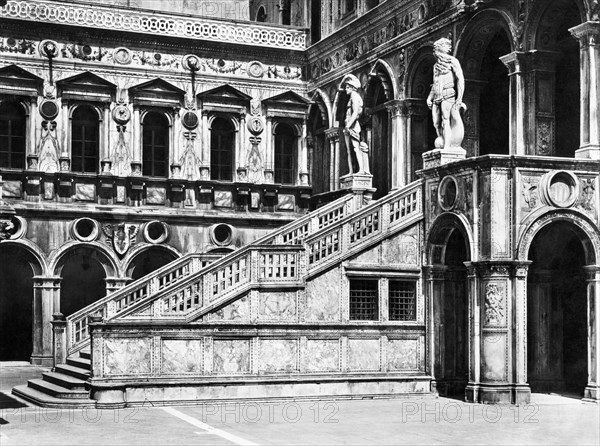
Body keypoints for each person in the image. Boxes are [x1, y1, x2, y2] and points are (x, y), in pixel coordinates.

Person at [426, 38, 466, 151]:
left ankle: (447, 147)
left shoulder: (453, 61)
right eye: (446, 45)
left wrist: (459, 98)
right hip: (437, 97)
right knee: (436, 122)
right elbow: (435, 83)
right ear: (440, 47)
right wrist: (429, 97)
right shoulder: (436, 66)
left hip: (448, 95)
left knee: (446, 120)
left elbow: (460, 79)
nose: (449, 47)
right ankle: (442, 140)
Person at [342, 75, 370, 174]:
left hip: (353, 126)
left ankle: (361, 170)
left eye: (347, 87)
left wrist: (348, 125)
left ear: (352, 87)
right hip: (349, 125)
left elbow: (355, 113)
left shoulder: (354, 95)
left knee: (355, 148)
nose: (346, 89)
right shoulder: (351, 97)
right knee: (349, 151)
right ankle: (351, 171)